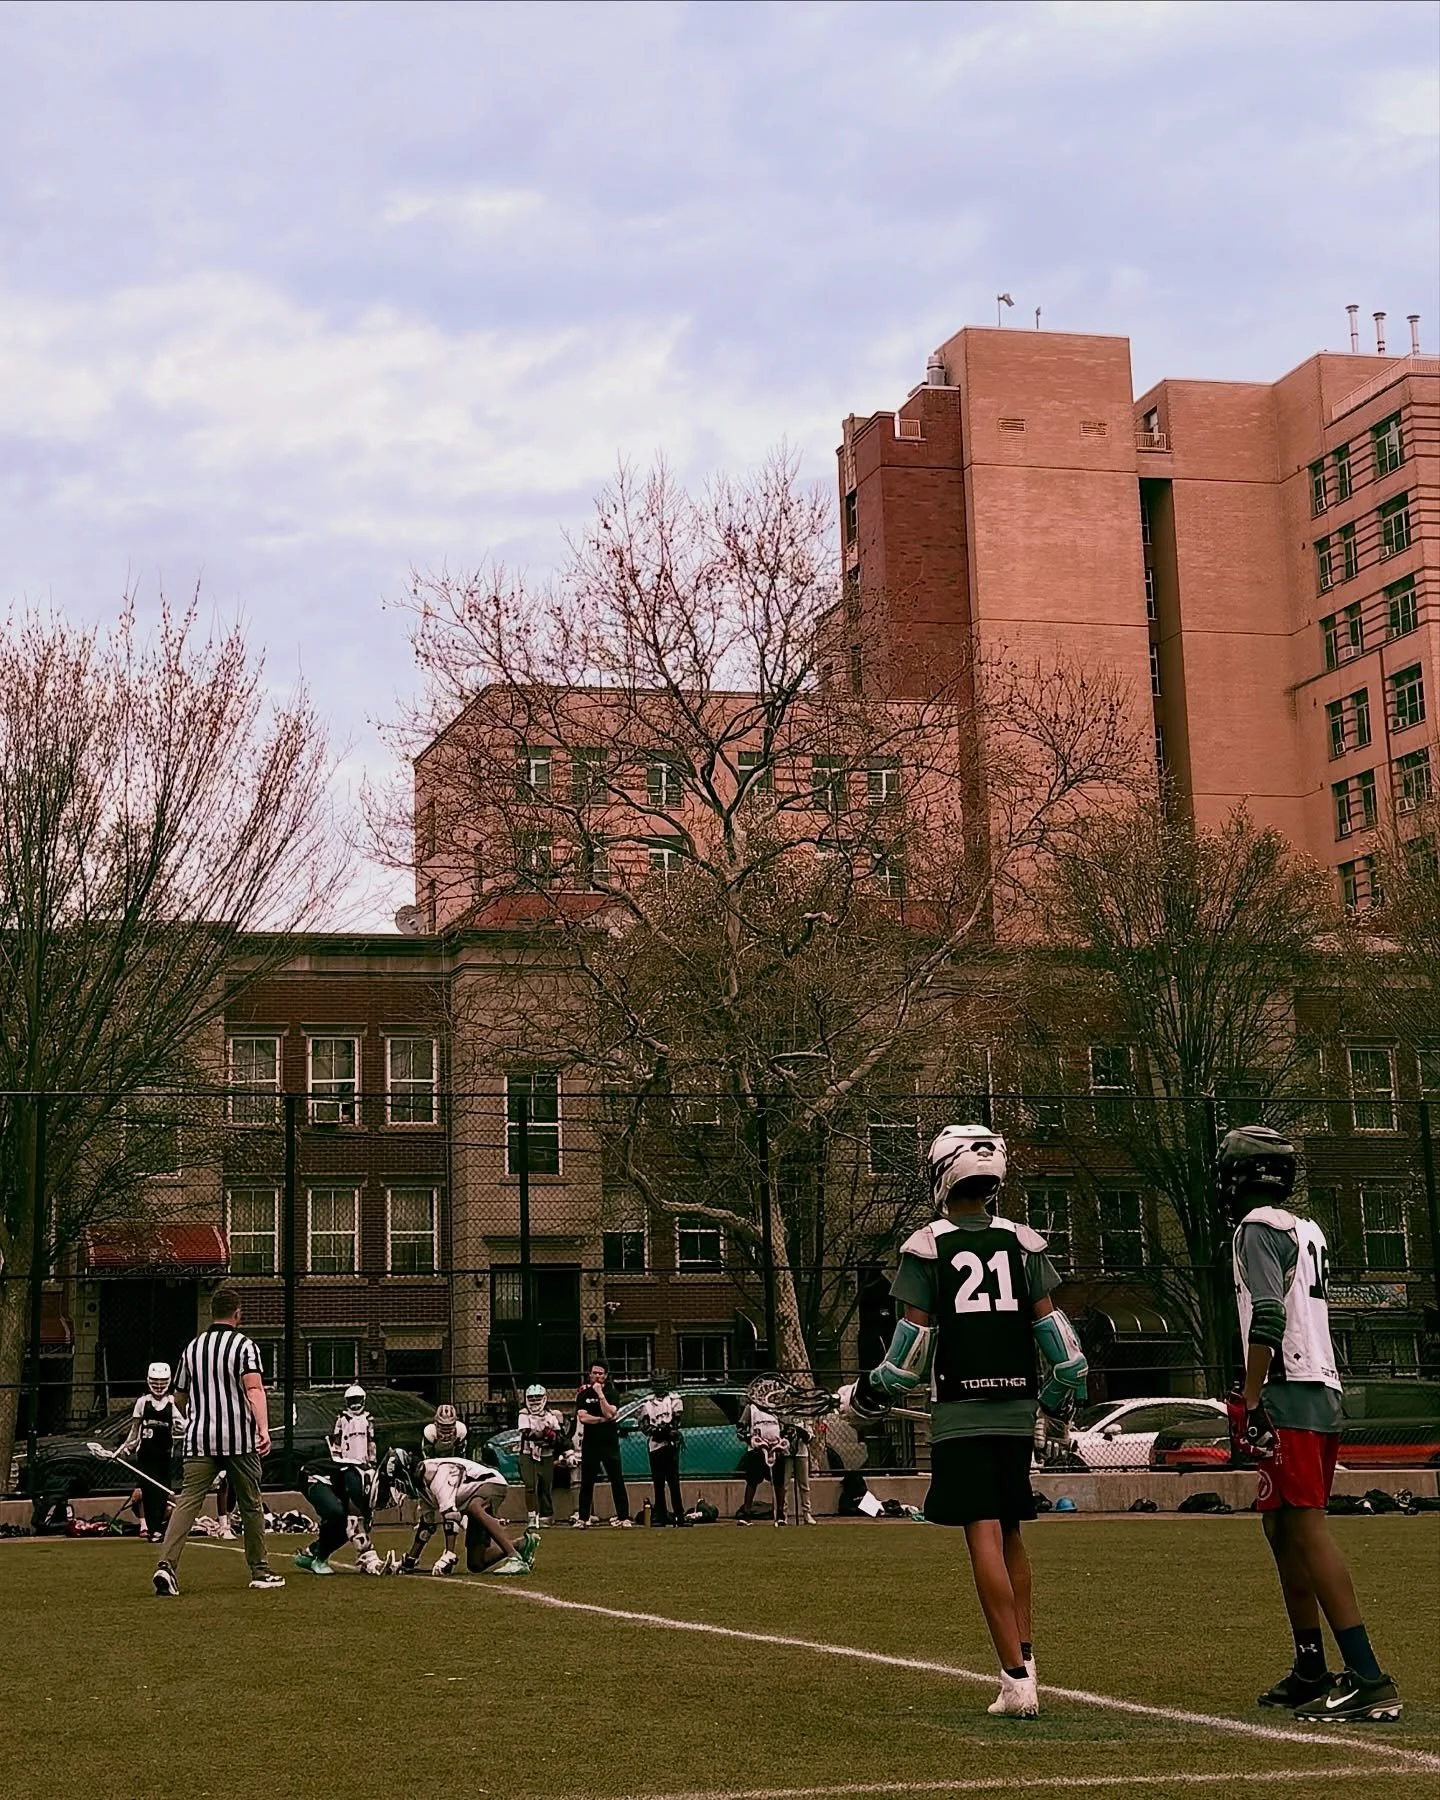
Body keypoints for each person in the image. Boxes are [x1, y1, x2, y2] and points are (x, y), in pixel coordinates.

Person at [842, 1124, 1087, 1719]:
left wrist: (865, 1393)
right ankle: (1027, 1659)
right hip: (1015, 1413)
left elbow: (907, 1359)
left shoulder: (927, 1246)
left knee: (981, 1530)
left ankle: (1014, 1678)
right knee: (1011, 1530)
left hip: (959, 1413)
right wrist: (1053, 1402)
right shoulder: (1023, 1244)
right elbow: (1067, 1354)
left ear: (942, 1173)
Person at [1221, 1124, 1402, 1723]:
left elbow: (1268, 1314)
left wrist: (1249, 1397)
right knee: (1282, 1529)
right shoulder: (1306, 1228)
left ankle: (1369, 1675)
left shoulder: (1255, 1230)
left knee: (1306, 1526)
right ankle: (1309, 1668)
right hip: (1321, 1386)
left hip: (1288, 1390)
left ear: (1240, 1177)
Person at [151, 1287, 286, 1594]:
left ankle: (166, 1566)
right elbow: (253, 1389)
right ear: (237, 1313)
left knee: (187, 1502)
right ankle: (260, 1570)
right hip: (238, 1438)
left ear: (212, 1312)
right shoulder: (244, 1346)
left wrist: (194, 1419)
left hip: (199, 1437)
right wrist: (263, 1428)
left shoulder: (193, 1348)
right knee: (251, 1503)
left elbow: (179, 1397)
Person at [384, 1446, 538, 1576]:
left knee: (475, 1508)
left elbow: (450, 1514)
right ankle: (522, 1544)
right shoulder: (423, 1485)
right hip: (474, 1495)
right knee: (476, 1563)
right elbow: (427, 1525)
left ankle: (515, 1558)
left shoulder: (437, 1473)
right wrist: (410, 1560)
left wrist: (449, 1554)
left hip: (491, 1483)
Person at [119, 1362, 183, 1541]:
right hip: (146, 1456)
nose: (159, 1385)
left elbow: (183, 1426)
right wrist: (127, 1447)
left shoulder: (172, 1403)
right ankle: (153, 1529)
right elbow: (134, 1431)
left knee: (162, 1492)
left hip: (164, 1455)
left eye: (162, 1381)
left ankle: (160, 1528)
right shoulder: (143, 1402)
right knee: (149, 1492)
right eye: (155, 1381)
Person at [294, 1455, 386, 1576]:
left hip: (331, 1483)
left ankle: (312, 1552)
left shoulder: (370, 1482)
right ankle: (319, 1558)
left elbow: (362, 1522)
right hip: (313, 1474)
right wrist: (368, 1555)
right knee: (336, 1514)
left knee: (344, 1523)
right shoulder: (360, 1479)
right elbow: (354, 1520)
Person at [573, 1360, 630, 1528]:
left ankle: (623, 1517)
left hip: (609, 1443)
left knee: (616, 1479)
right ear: (590, 1374)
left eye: (601, 1373)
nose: (597, 1376)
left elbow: (611, 1413)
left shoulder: (611, 1393)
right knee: (587, 1482)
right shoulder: (583, 1395)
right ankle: (583, 1518)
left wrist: (600, 1395)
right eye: (594, 1373)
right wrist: (600, 1420)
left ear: (605, 1376)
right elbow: (583, 1417)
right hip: (591, 1444)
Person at [637, 1373, 686, 1525]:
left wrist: (668, 1430)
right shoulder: (647, 1403)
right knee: (658, 1483)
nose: (660, 1386)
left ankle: (679, 1516)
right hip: (655, 1446)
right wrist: (657, 1431)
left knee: (673, 1482)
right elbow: (644, 1426)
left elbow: (676, 1422)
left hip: (670, 1446)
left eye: (663, 1382)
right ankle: (661, 1515)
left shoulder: (674, 1400)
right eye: (657, 1383)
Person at [516, 1383, 564, 1528]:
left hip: (546, 1454)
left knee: (545, 1485)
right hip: (528, 1453)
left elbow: (559, 1437)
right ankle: (532, 1515)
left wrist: (552, 1439)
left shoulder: (551, 1416)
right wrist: (544, 1434)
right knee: (530, 1485)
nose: (535, 1400)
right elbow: (527, 1433)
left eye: (538, 1397)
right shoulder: (524, 1414)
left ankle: (546, 1514)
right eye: (532, 1397)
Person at [736, 1396, 789, 1524]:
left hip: (776, 1449)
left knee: (778, 1482)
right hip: (757, 1451)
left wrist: (783, 1439)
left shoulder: (777, 1409)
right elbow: (740, 1429)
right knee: (752, 1481)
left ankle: (780, 1514)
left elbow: (787, 1427)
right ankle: (746, 1513)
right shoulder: (752, 1409)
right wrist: (751, 1440)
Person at [329, 1384, 375, 1467]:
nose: (355, 1404)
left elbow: (371, 1441)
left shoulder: (367, 1419)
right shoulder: (342, 1419)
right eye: (352, 1400)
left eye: (357, 1400)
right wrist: (336, 1458)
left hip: (363, 1462)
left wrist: (372, 1460)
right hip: (346, 1461)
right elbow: (337, 1440)